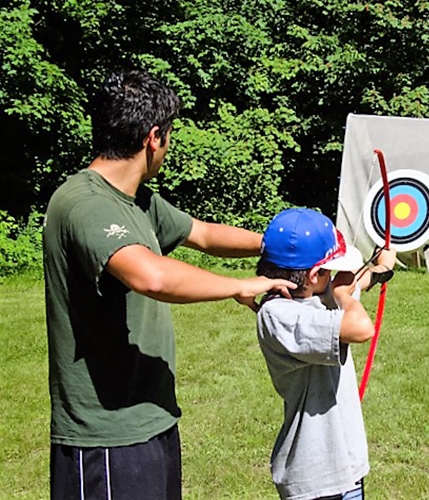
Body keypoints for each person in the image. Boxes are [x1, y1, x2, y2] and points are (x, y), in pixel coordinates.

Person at [43, 69, 295, 500]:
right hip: (105, 436)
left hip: (152, 420)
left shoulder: (136, 199)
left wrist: (285, 245)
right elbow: (151, 275)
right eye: (170, 136)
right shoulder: (83, 203)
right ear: (153, 137)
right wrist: (238, 285)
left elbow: (203, 234)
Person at [255, 208, 396, 499]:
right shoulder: (278, 314)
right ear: (314, 274)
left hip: (347, 469)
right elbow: (360, 327)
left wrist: (382, 267)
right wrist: (343, 295)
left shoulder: (318, 296)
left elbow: (357, 282)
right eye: (329, 270)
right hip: (314, 476)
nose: (334, 277)